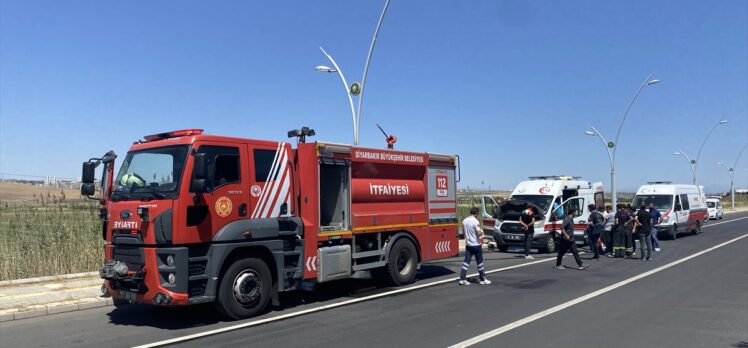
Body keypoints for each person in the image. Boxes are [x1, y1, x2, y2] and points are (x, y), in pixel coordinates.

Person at [459, 207, 491, 285]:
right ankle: (482, 278)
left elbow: (463, 233)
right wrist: (482, 232)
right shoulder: (475, 221)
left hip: (468, 244)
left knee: (466, 262)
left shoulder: (464, 221)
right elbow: (478, 233)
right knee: (480, 262)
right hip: (476, 245)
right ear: (476, 213)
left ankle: (462, 278)